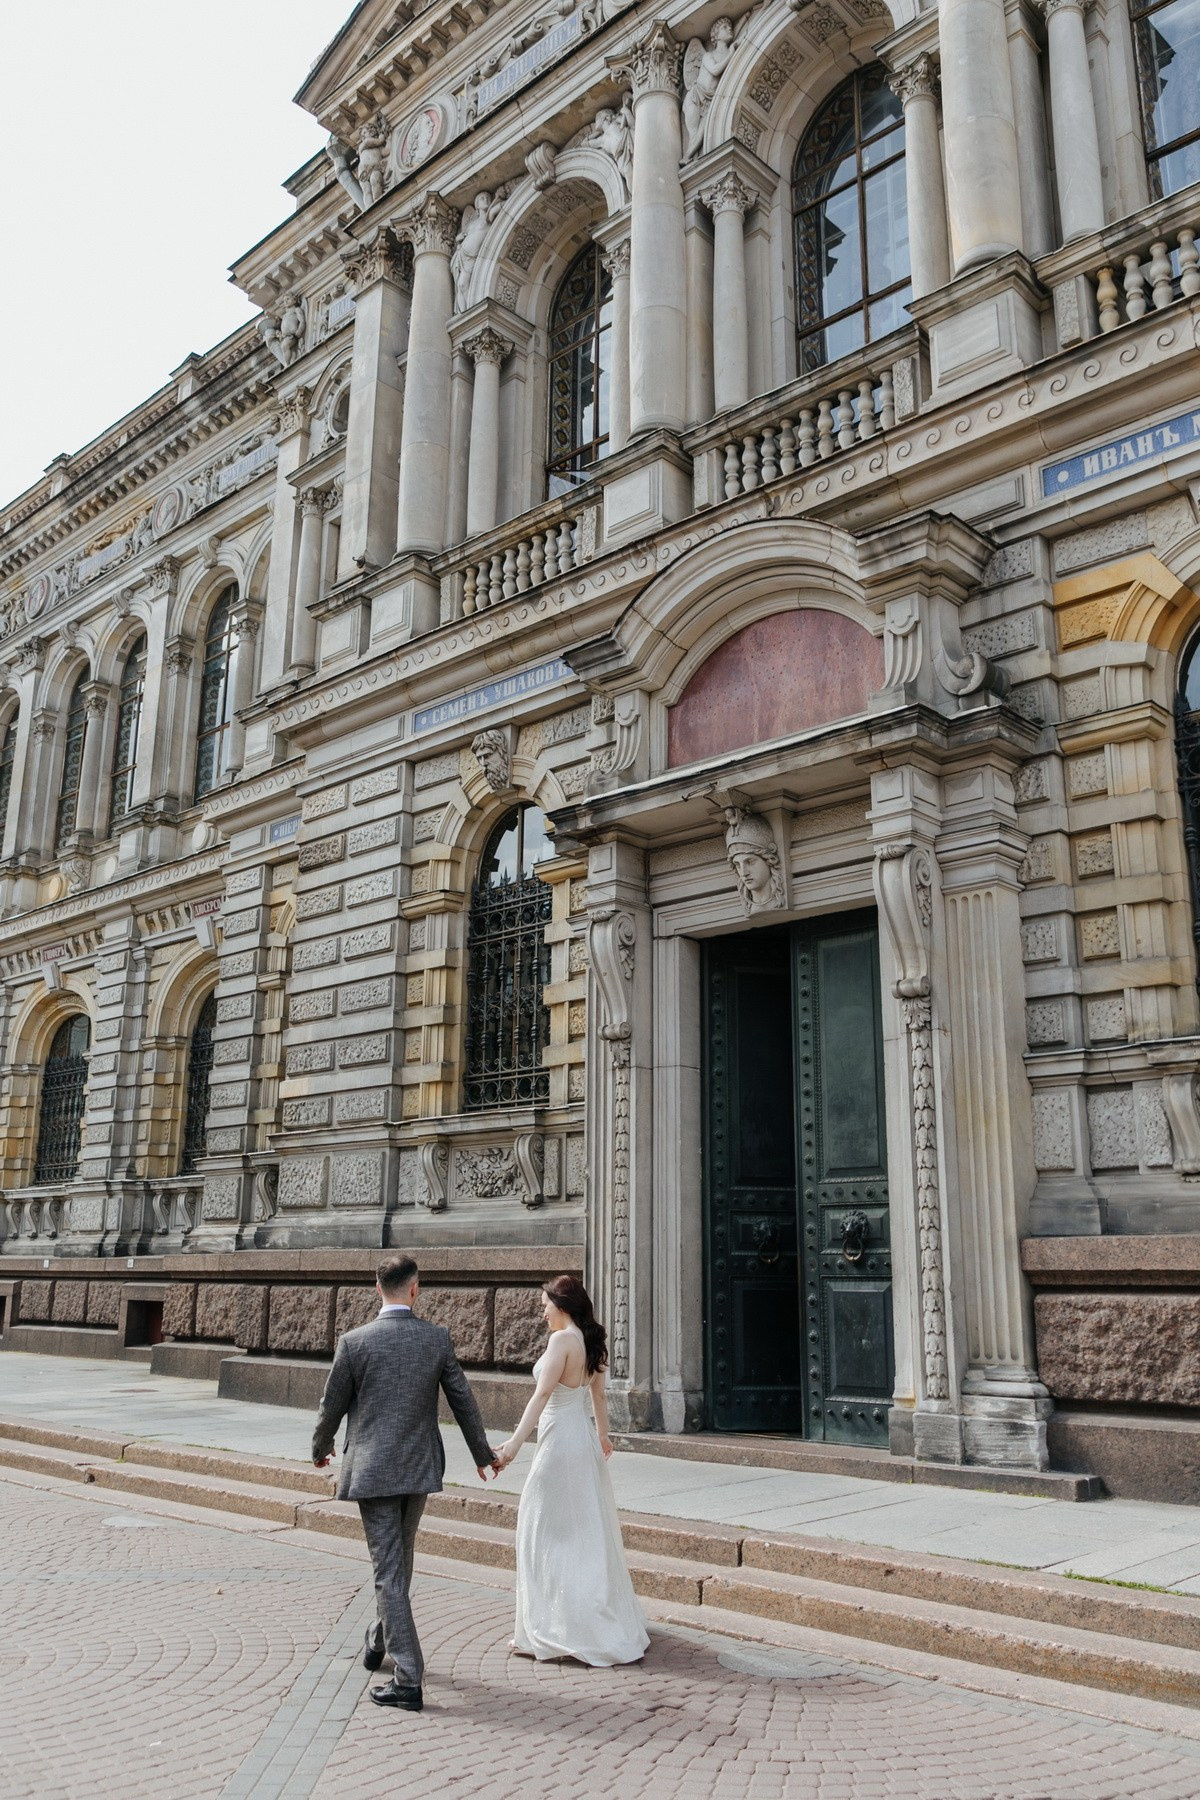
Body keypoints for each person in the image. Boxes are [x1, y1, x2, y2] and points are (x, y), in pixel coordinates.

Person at [312, 1254, 500, 1712]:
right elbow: (464, 1401)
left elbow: (331, 1404)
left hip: (373, 1470)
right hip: (417, 1469)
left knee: (389, 1570)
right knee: (400, 1561)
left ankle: (408, 1677)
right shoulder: (435, 1339)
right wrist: (482, 1455)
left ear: (378, 1289)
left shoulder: (354, 1343)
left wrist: (321, 1446)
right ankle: (379, 1639)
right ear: (414, 1289)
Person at [494, 1275, 649, 1666]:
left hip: (560, 1442)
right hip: (579, 1439)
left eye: (545, 1304)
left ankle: (554, 1628)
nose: (542, 1311)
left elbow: (542, 1394)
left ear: (561, 1305)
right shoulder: (590, 1340)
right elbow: (597, 1394)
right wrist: (602, 1436)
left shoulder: (562, 1340)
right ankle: (581, 1621)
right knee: (583, 1532)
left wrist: (512, 1446)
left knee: (541, 1527)